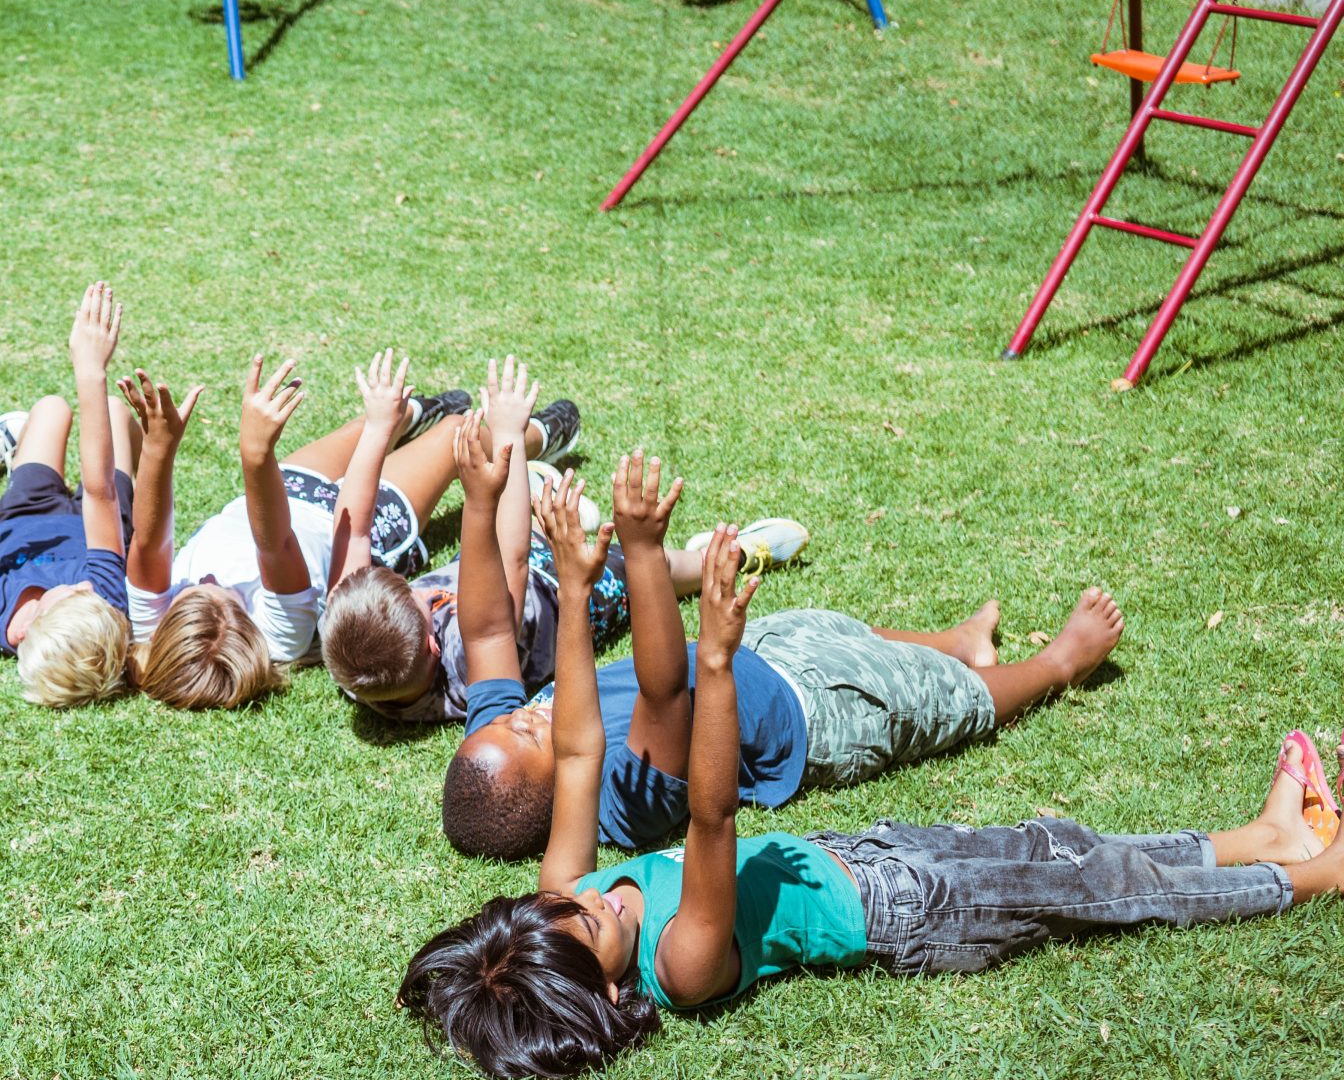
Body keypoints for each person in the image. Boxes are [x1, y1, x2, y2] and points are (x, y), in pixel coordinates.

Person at [400, 503, 1344, 1080]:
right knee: (1098, 888)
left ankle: (1257, 836)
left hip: (868, 855)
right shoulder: (681, 967)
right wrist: (717, 659)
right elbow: (713, 815)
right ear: (611, 987)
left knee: (1072, 851)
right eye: (596, 921)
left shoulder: (566, 893)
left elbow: (576, 753)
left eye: (567, 900)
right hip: (914, 911)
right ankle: (1310, 879)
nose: (593, 894)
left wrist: (572, 577)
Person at [441, 450, 1125, 858]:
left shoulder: (494, 741)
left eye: (508, 719)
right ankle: (1058, 664)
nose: (527, 712)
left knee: (843, 628)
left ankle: (959, 643)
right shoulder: (625, 800)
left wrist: (479, 501)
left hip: (755, 650)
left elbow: (490, 636)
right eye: (529, 731)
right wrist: (644, 553)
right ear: (558, 791)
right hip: (817, 714)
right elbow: (660, 692)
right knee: (935, 696)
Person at [320, 359, 798, 724]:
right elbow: (515, 559)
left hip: (499, 558)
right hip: (560, 585)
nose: (418, 589)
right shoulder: (471, 662)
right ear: (431, 643)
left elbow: (354, 525)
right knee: (646, 569)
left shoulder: (350, 655)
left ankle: (538, 492)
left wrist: (381, 426)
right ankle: (725, 556)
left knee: (522, 517)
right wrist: (507, 433)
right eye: (417, 599)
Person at [124, 346, 474, 710]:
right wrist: (256, 453)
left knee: (365, 426)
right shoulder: (279, 636)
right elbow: (274, 544)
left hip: (287, 490)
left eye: (196, 591)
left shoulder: (151, 625)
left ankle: (413, 411)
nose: (210, 579)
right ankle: (535, 434)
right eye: (223, 595)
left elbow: (149, 542)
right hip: (356, 523)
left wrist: (158, 447)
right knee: (456, 435)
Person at [0, 286, 137, 708]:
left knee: (50, 409)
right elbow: (100, 494)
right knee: (115, 410)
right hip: (100, 523)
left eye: (75, 593)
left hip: (26, 514)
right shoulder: (104, 602)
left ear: (27, 631)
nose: (86, 584)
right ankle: (142, 449)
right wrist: (90, 370)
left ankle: (2, 445)